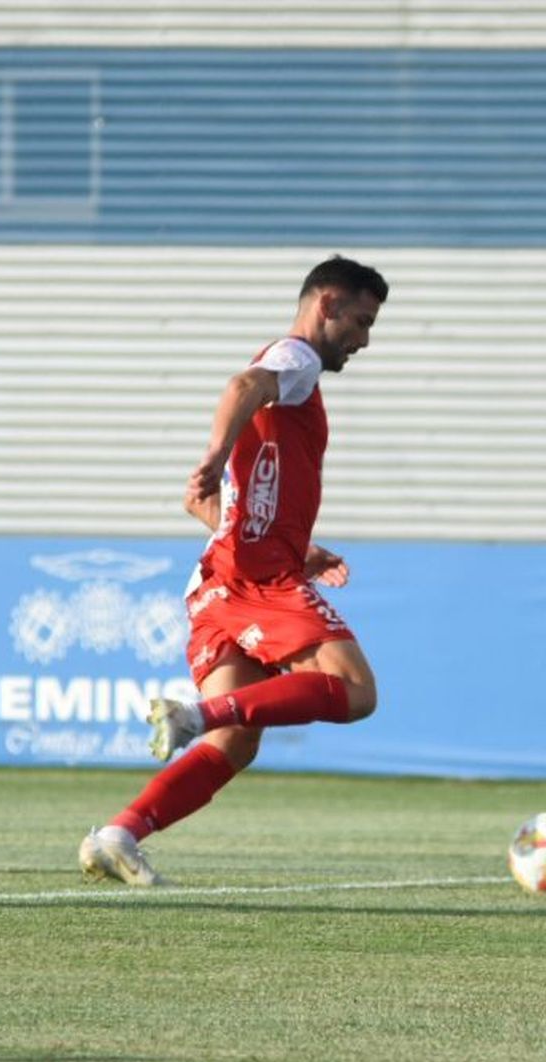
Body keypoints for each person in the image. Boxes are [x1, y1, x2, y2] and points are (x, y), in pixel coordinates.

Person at [79, 255, 388, 885]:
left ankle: (119, 835)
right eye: (359, 320)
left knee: (236, 739)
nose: (363, 340)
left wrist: (297, 547)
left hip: (218, 583)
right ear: (325, 303)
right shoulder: (296, 360)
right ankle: (190, 715)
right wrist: (217, 454)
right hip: (257, 583)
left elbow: (204, 504)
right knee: (356, 692)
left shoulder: (292, 383)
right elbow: (242, 388)